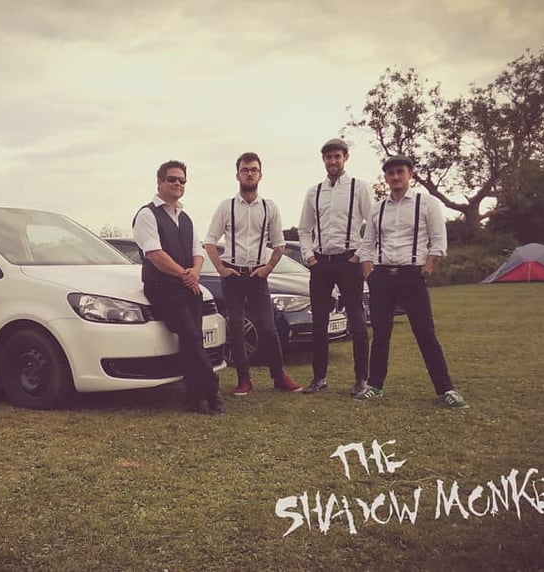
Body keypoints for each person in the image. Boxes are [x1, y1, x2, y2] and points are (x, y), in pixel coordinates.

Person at [354, 155, 468, 408]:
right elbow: (367, 244)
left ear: (410, 174)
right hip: (382, 276)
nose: (395, 177)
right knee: (380, 334)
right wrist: (369, 274)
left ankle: (446, 389)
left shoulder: (426, 203)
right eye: (390, 173)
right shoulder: (377, 208)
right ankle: (375, 385)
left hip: (412, 274)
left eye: (400, 172)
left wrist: (427, 269)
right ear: (386, 178)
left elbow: (438, 241)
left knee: (425, 332)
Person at [204, 152, 303, 396]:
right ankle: (244, 379)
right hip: (233, 276)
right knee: (237, 329)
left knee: (269, 328)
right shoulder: (226, 207)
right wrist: (221, 269)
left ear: (261, 174)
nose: (249, 174)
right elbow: (209, 241)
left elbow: (279, 245)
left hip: (258, 276)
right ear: (237, 174)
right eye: (245, 170)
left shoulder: (269, 208)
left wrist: (267, 268)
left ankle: (279, 375)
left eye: (254, 170)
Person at [133, 160, 225, 415]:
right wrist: (185, 274)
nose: (177, 184)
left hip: (188, 286)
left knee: (191, 340)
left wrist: (194, 272)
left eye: (182, 180)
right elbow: (154, 254)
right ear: (159, 182)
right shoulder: (147, 215)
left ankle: (195, 397)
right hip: (162, 287)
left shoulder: (185, 218)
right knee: (193, 337)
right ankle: (212, 390)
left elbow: (198, 251)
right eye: (172, 179)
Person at [297, 138, 373, 395]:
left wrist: (359, 255)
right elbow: (304, 229)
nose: (333, 161)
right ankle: (319, 378)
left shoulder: (359, 187)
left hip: (349, 261)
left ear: (345, 158)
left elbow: (372, 224)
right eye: (328, 157)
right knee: (319, 322)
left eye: (337, 156)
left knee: (357, 320)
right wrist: (309, 256)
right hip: (321, 262)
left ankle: (361, 379)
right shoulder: (314, 192)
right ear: (323, 160)